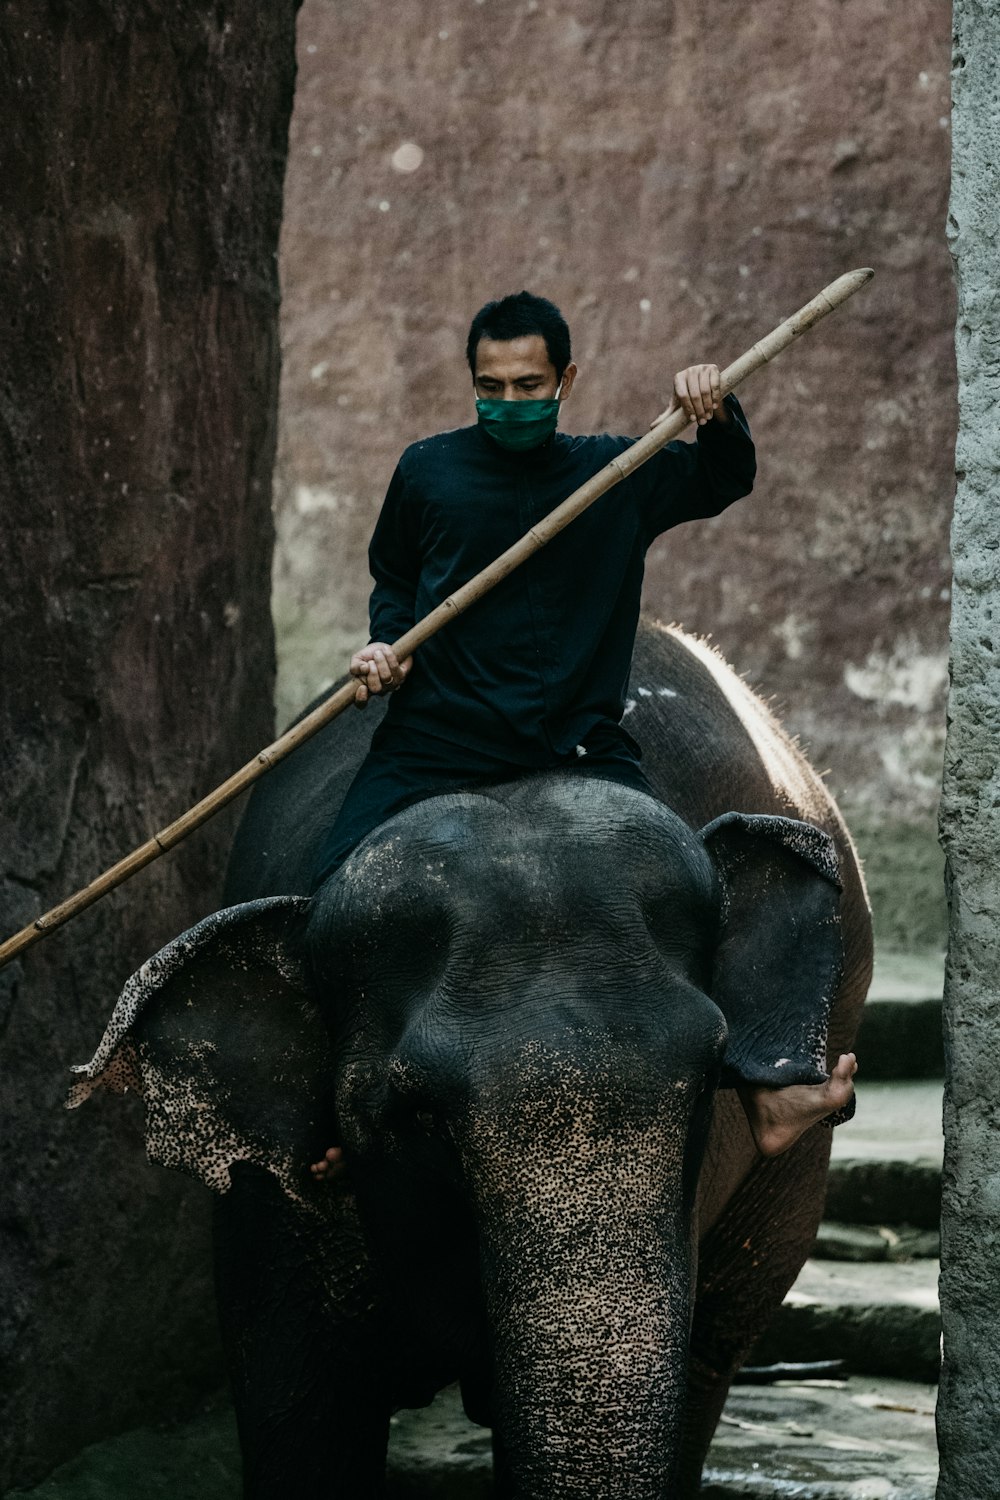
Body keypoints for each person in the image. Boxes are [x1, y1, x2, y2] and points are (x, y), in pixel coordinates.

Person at [311, 290, 856, 1181]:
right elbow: (396, 579)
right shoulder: (427, 470)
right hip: (436, 742)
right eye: (491, 387)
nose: (510, 403)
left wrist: (714, 411)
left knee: (692, 893)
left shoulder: (619, 470)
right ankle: (325, 1114)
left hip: (577, 744)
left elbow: (724, 479)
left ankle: (771, 1084)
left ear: (567, 379)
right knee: (329, 892)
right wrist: (384, 644)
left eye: (529, 385)